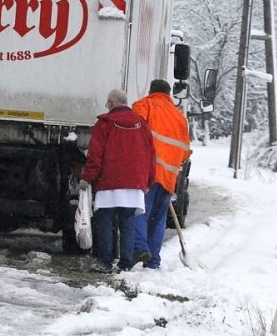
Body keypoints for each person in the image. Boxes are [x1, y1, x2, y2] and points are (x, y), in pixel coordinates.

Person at [79, 89, 156, 273]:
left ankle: (105, 262)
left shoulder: (104, 124)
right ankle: (125, 263)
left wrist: (87, 177)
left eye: (107, 103)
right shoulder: (141, 124)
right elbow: (151, 154)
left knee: (105, 221)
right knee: (127, 222)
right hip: (134, 183)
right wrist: (148, 181)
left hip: (110, 181)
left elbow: (96, 156)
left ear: (112, 103)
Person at [132, 79, 192, 270]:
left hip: (148, 172)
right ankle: (153, 262)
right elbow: (184, 152)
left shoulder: (144, 105)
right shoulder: (180, 117)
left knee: (139, 211)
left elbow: (133, 134)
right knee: (158, 219)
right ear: (168, 94)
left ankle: (140, 249)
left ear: (151, 91)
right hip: (169, 177)